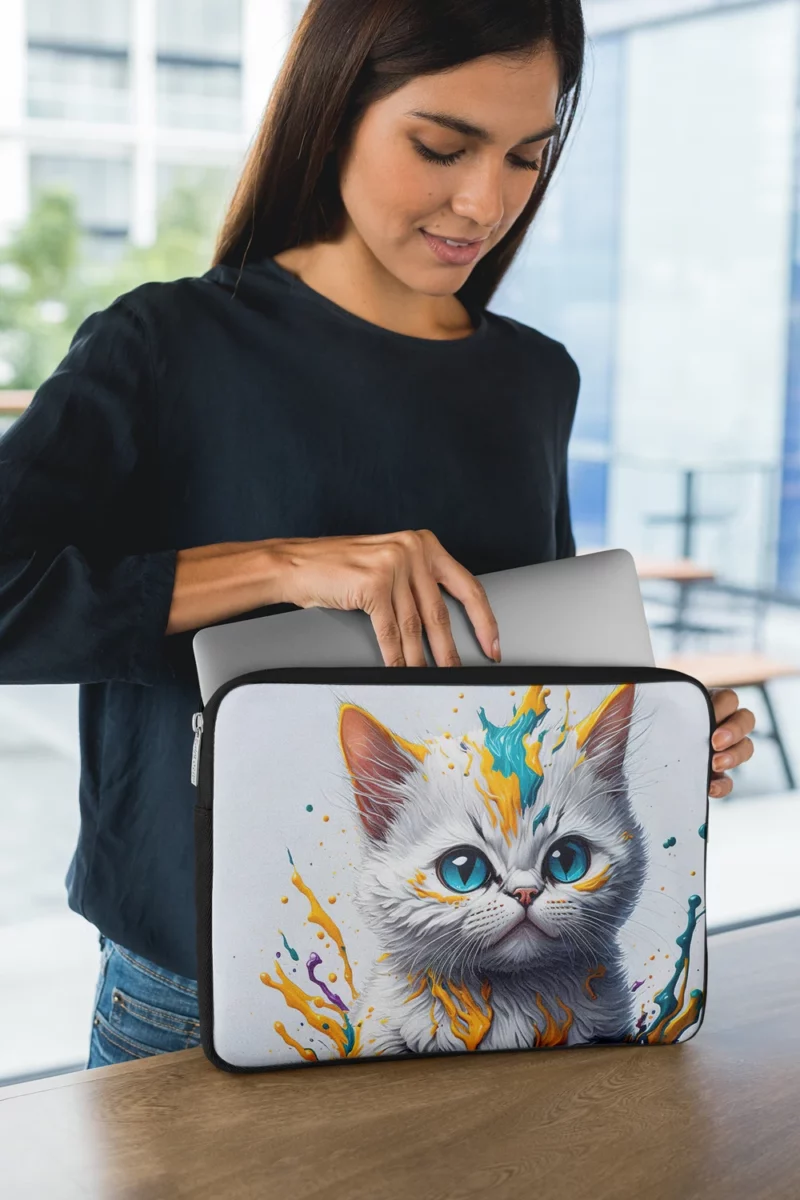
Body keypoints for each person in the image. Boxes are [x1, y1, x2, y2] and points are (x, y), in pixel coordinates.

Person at [0, 0, 754, 1069]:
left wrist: (665, 735)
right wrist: (288, 567)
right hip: (200, 990)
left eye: (525, 158)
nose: (482, 201)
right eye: (440, 146)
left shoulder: (534, 378)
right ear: (332, 109)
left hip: (505, 1000)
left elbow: (518, 677)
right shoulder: (163, 344)